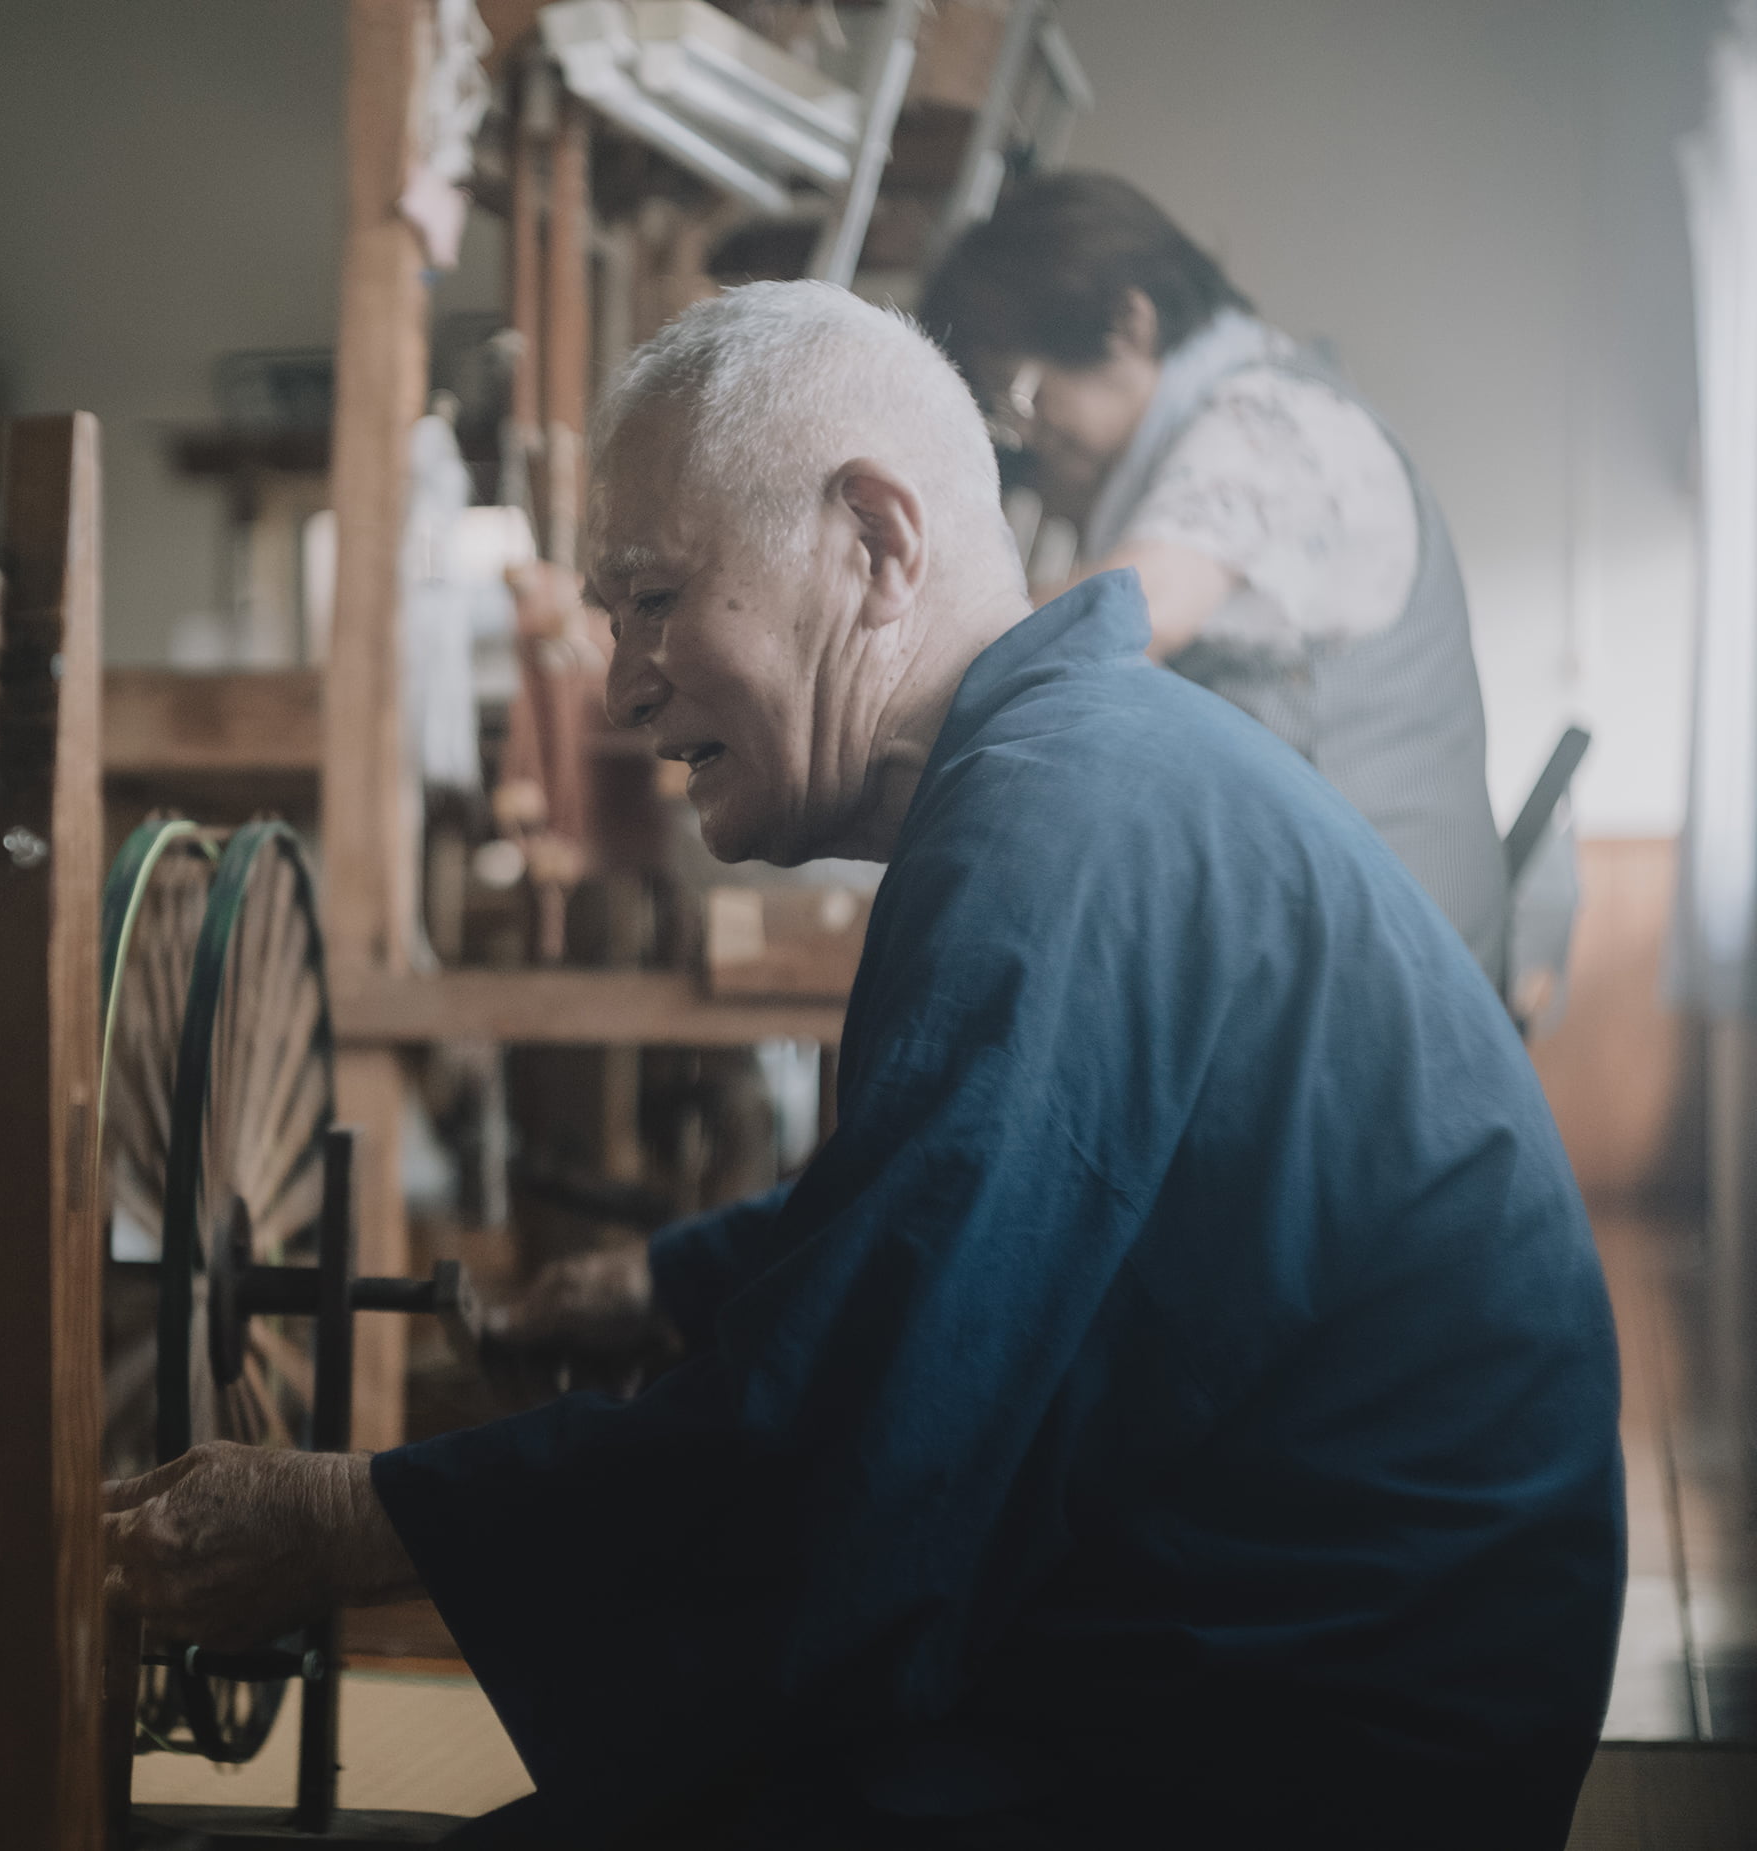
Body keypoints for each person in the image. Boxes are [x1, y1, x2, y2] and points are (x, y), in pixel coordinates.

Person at [104, 282, 1622, 1849]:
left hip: (1315, 1729)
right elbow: (993, 1201)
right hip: (1289, 1639)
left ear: (879, 545)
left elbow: (851, 1458)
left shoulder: (1059, 824)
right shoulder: (1074, 763)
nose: (621, 685)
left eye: (649, 596)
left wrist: (360, 1514)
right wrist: (669, 1280)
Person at [916, 173, 1514, 986]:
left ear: (1131, 322)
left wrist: (903, 657)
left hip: (1390, 967)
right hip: (1350, 936)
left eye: (1026, 394)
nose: (1029, 436)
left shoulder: (1268, 424)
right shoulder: (1240, 411)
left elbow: (1112, 616)